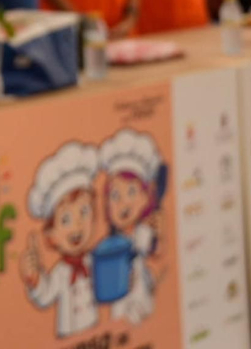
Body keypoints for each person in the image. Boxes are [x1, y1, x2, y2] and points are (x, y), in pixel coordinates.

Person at [21, 140, 101, 338]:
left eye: (84, 211)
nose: (77, 225)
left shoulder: (94, 260)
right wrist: (35, 278)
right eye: (65, 219)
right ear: (51, 237)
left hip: (97, 334)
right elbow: (46, 296)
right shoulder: (60, 273)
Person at [98, 129, 165, 326]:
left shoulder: (142, 232)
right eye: (115, 195)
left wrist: (159, 234)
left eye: (132, 191)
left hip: (139, 294)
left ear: (146, 198)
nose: (123, 202)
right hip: (118, 298)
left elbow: (154, 248)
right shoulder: (109, 242)